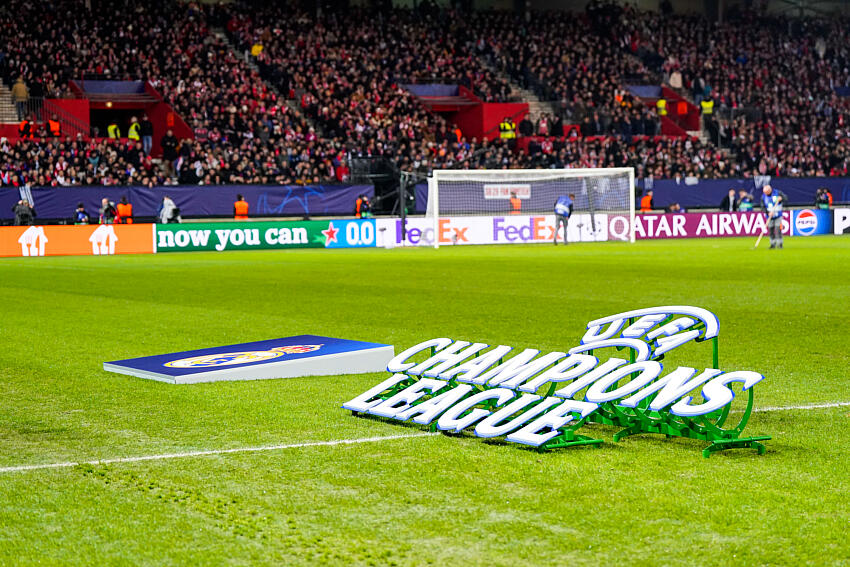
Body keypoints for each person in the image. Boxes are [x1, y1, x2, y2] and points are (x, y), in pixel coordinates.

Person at [761, 185, 786, 249]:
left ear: (770, 190)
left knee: (778, 230)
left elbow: (786, 198)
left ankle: (780, 244)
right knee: (771, 230)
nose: (766, 194)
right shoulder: (763, 196)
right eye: (765, 193)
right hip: (769, 216)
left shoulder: (777, 193)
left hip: (778, 215)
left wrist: (781, 198)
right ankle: (772, 244)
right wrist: (767, 213)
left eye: (767, 192)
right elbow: (762, 206)